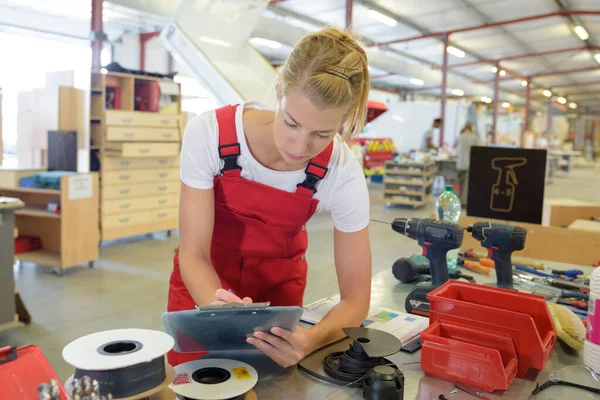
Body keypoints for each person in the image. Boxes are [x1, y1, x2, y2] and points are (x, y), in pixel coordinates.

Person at [168, 27, 373, 368]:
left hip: (275, 312)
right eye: (291, 123)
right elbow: (194, 253)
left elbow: (356, 300)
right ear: (279, 90)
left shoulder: (342, 172)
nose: (299, 147)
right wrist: (222, 314)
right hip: (201, 294)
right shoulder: (209, 135)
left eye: (322, 134)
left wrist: (309, 340)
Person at [455, 123, 480, 207]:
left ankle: (457, 201)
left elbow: (454, 147)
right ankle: (463, 202)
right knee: (466, 186)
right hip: (468, 165)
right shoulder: (475, 138)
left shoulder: (460, 137)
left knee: (459, 185)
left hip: (459, 164)